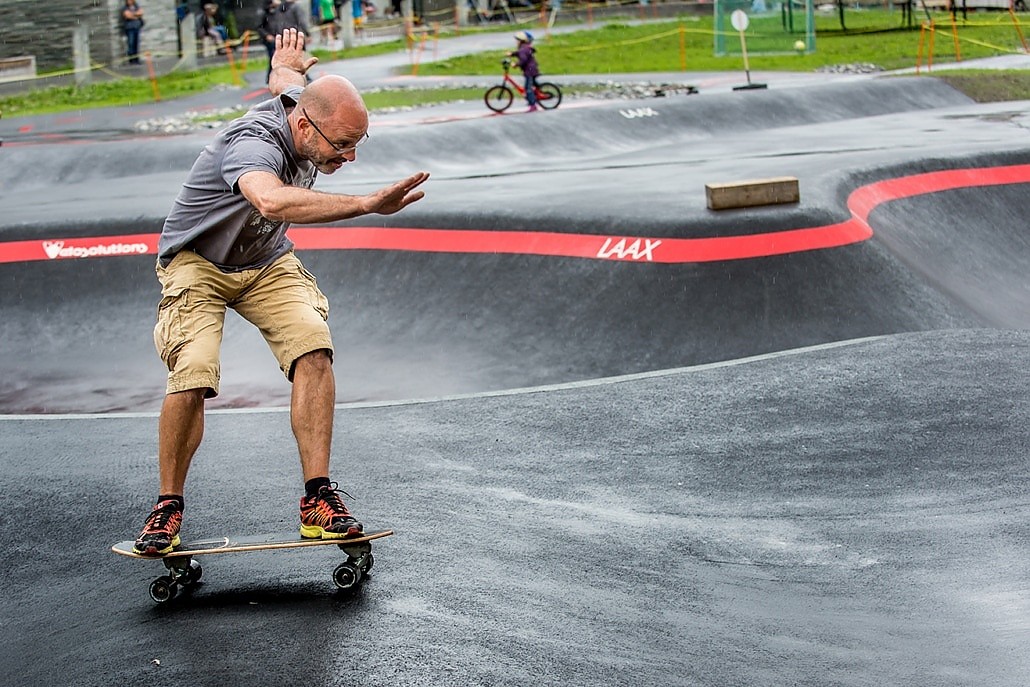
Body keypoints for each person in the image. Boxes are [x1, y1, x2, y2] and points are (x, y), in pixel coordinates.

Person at [133, 28, 430, 556]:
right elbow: (269, 202)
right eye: (341, 146)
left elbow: (289, 83)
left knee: (313, 345)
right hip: (197, 264)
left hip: (265, 261)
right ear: (301, 126)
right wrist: (364, 205)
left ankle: (318, 498)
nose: (348, 158)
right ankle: (167, 505)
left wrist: (285, 64)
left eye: (357, 145)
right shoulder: (250, 145)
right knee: (194, 369)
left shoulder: (300, 105)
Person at [257, 0, 308, 82]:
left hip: (281, 36)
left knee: (285, 57)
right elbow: (260, 26)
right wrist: (266, 35)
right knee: (276, 57)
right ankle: (273, 77)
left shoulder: (279, 9)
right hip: (276, 37)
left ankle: (277, 76)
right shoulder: (266, 12)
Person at [508, 30, 540, 112]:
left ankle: (533, 105)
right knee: (532, 85)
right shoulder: (525, 48)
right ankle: (532, 97)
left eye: (517, 40)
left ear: (522, 41)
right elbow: (519, 53)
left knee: (528, 88)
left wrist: (515, 65)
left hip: (530, 71)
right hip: (532, 69)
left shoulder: (523, 49)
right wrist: (512, 54)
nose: (516, 42)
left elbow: (523, 60)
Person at [121, 0, 145, 65]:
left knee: (136, 44)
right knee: (131, 44)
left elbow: (141, 12)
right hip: (130, 28)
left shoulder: (136, 6)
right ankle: (131, 60)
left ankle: (136, 59)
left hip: (137, 27)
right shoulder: (125, 8)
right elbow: (127, 15)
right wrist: (136, 16)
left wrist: (133, 14)